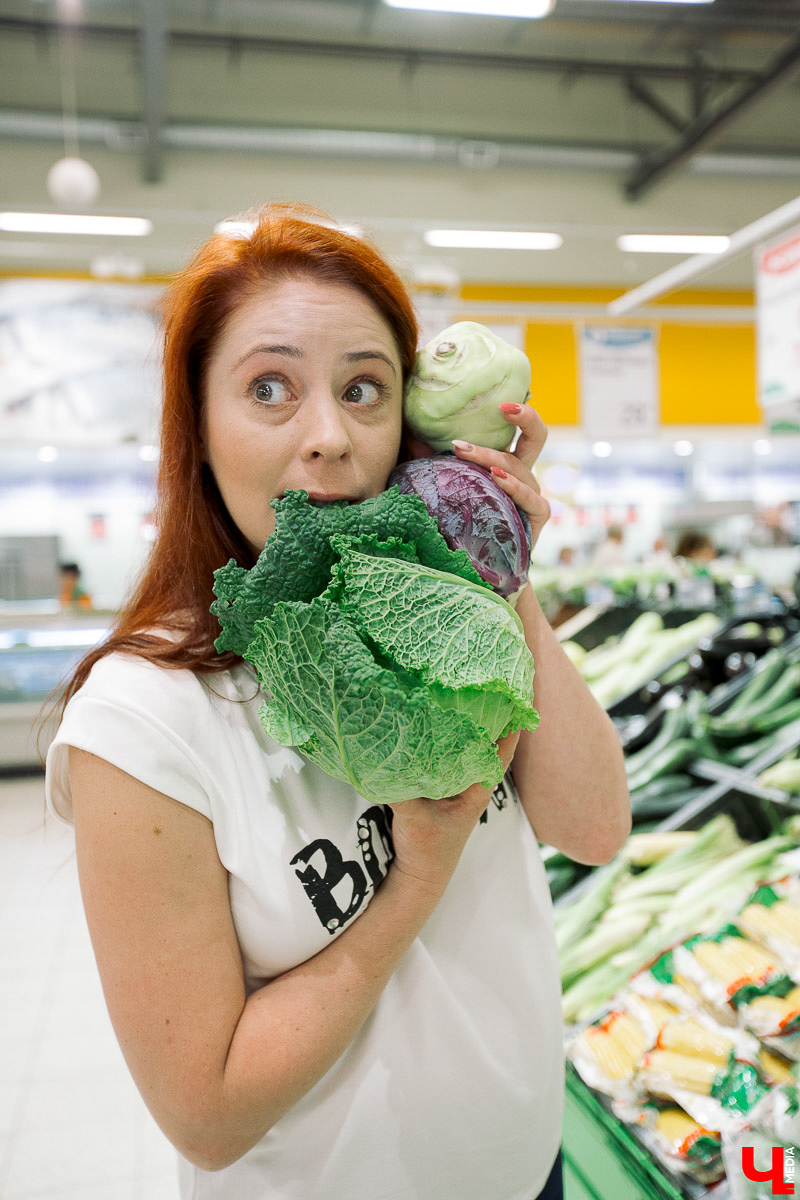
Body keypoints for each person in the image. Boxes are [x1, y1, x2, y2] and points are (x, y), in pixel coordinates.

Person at [44, 203, 630, 1200]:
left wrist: (496, 560)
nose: (328, 437)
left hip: (530, 1173)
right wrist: (414, 878)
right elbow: (209, 1113)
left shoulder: (452, 613)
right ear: (197, 424)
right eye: (268, 388)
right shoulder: (141, 721)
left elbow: (594, 828)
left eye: (365, 389)